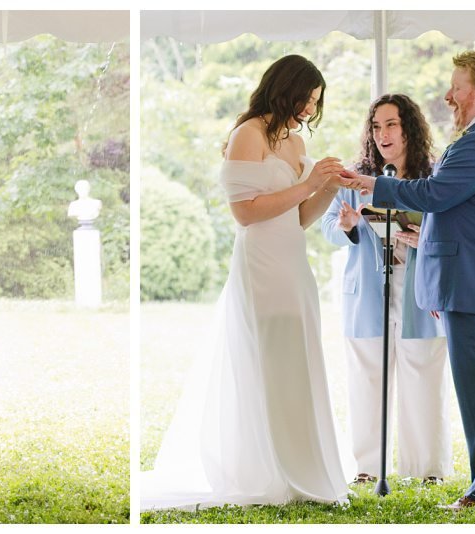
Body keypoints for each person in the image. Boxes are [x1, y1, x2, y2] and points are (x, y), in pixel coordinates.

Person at [141, 55, 351, 510]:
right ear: (283, 89)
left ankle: (302, 467)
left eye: (316, 103)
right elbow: (246, 212)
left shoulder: (295, 143)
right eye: (305, 99)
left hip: (294, 264)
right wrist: (308, 182)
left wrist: (329, 188)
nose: (309, 110)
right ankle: (265, 469)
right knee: (267, 359)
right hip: (260, 265)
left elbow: (299, 219)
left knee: (296, 359)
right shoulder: (248, 134)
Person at [340, 49, 475, 510]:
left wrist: (371, 186)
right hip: (470, 280)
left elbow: (438, 193)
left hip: (474, 283)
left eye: (456, 87)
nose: (449, 96)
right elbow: (460, 208)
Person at [321, 94, 452, 486]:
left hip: (420, 295)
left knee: (424, 378)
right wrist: (345, 226)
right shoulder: (353, 177)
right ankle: (367, 468)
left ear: (409, 127)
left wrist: (422, 239)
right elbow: (328, 227)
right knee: (366, 381)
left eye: (391, 124)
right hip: (367, 296)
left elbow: (448, 226)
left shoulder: (433, 177)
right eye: (376, 127)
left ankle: (426, 470)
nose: (382, 134)